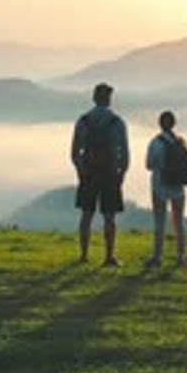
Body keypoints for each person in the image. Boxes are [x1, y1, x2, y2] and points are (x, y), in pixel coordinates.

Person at [71, 83, 129, 266]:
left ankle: (83, 255)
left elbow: (74, 152)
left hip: (88, 173)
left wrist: (81, 170)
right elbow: (125, 152)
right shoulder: (117, 122)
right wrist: (121, 174)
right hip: (110, 173)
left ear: (94, 98)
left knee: (86, 214)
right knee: (109, 216)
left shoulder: (83, 121)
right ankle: (109, 256)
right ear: (109, 99)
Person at [145, 110, 187, 267]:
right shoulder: (181, 142)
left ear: (160, 124)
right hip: (178, 186)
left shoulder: (156, 142)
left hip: (160, 185)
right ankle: (181, 256)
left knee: (159, 221)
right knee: (178, 222)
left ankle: (157, 257)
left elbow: (149, 164)